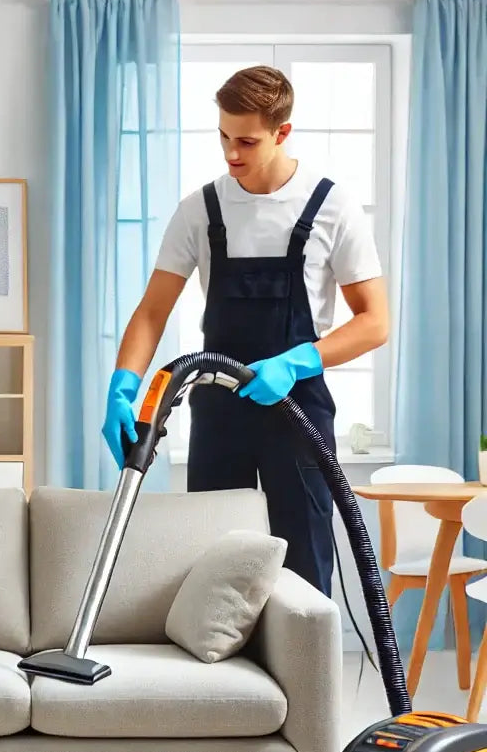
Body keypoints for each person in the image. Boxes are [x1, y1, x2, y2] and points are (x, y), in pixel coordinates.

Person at [102, 66, 388, 597]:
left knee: (303, 567)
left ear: (282, 133)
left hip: (296, 406)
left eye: (247, 141)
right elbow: (151, 312)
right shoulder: (200, 209)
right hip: (220, 408)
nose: (232, 153)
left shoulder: (330, 207)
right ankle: (219, 681)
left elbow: (375, 322)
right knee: (212, 566)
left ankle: (304, 679)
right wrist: (123, 387)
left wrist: (295, 363)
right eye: (224, 137)